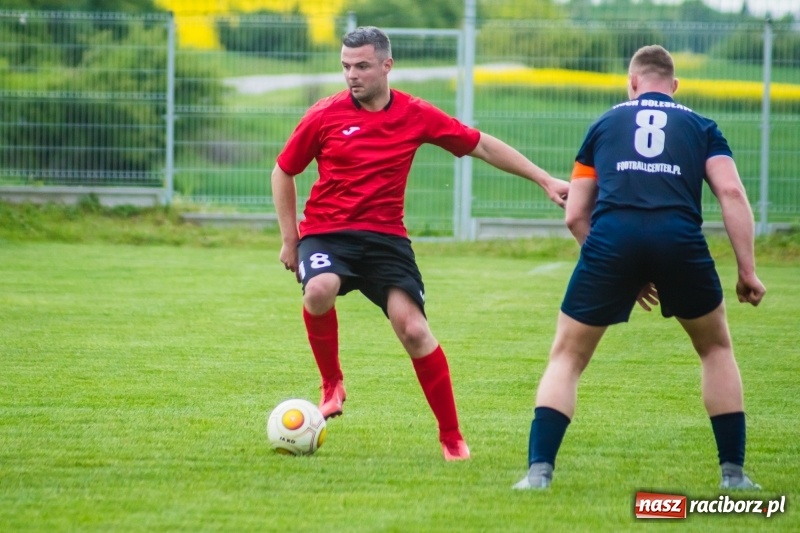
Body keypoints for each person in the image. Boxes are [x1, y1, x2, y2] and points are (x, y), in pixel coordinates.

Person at [272, 26, 569, 461]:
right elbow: (283, 170)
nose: (352, 75)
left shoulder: (415, 114)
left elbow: (482, 146)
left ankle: (451, 437)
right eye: (346, 66)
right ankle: (332, 383)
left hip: (386, 240)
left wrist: (544, 179)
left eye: (362, 66)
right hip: (327, 233)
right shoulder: (324, 114)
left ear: (387, 65)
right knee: (319, 289)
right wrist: (289, 240)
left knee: (413, 329)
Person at [513, 45, 766, 489]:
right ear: (674, 86)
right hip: (679, 238)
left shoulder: (604, 124)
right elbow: (731, 193)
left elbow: (575, 214)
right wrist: (747, 270)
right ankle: (733, 475)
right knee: (715, 349)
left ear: (632, 83)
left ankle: (538, 473)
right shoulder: (702, 127)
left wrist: (609, 261)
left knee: (568, 356)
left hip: (613, 238)